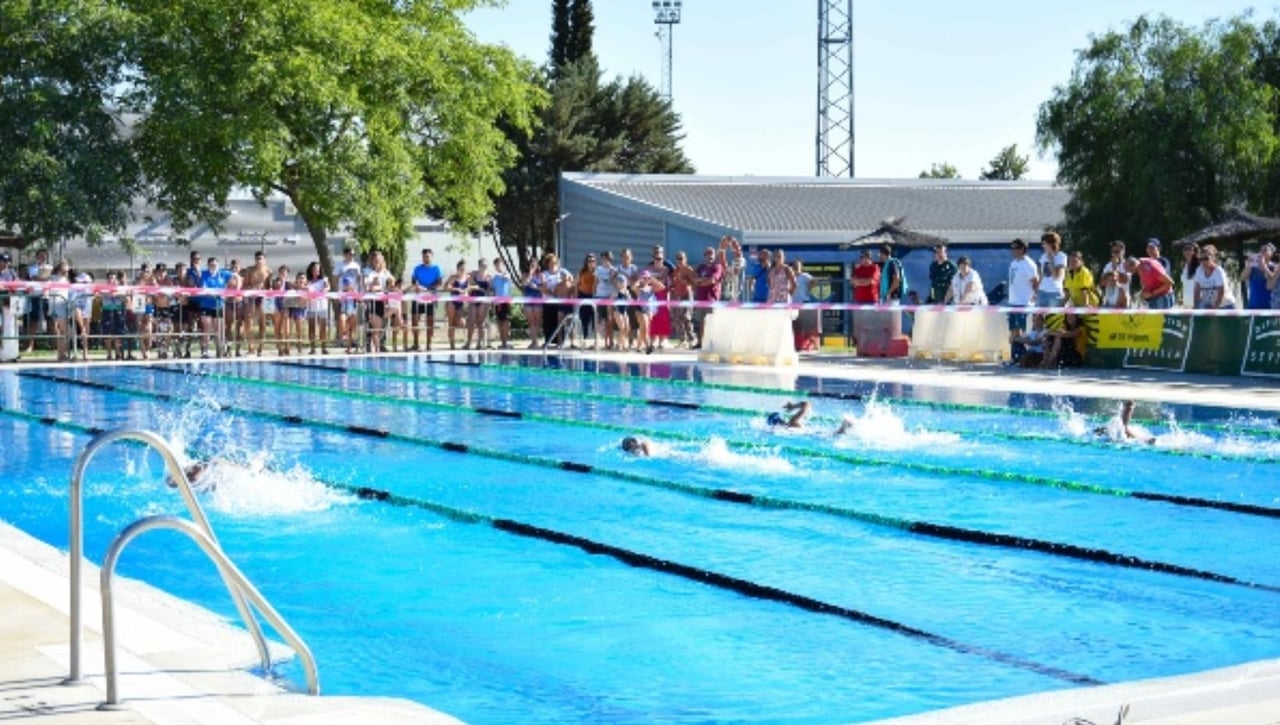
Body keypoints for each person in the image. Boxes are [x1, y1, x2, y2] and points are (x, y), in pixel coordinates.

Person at [1005, 238, 1040, 363]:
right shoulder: (1014, 263)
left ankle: (1023, 357)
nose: (1013, 251)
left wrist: (1036, 296)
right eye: (1012, 248)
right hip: (1013, 302)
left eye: (1016, 248)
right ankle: (1015, 357)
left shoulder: (1029, 264)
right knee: (1013, 330)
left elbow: (1035, 282)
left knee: (1021, 330)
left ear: (1022, 249)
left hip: (1024, 302)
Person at [409, 248, 442, 351]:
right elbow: (413, 282)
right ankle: (416, 344)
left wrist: (428, 289)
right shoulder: (417, 268)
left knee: (430, 321)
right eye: (424, 256)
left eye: (427, 256)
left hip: (431, 296)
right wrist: (418, 287)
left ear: (431, 257)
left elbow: (439, 282)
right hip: (419, 297)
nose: (425, 258)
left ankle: (429, 344)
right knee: (415, 320)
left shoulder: (436, 268)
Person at [692, 246, 724, 349]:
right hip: (701, 299)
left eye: (712, 254)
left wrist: (702, 281)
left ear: (714, 255)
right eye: (708, 254)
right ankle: (701, 342)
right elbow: (694, 279)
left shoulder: (717, 266)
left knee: (711, 323)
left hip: (712, 299)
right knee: (701, 322)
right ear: (705, 255)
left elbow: (713, 280)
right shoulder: (701, 267)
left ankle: (712, 344)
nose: (710, 256)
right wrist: (703, 281)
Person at [1192, 244, 1234, 309]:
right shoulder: (1199, 271)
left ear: (1212, 258)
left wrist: (1214, 309)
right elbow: (1197, 290)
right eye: (1201, 259)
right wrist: (1195, 307)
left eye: (1206, 258)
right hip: (1210, 305)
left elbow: (1221, 292)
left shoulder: (1218, 271)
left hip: (1225, 305)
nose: (1203, 261)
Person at [1037, 232, 1068, 308]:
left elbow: (1056, 277)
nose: (1043, 246)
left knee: (1054, 318)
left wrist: (1051, 259)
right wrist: (1036, 291)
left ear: (1051, 244)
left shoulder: (1062, 256)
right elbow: (1041, 275)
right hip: (1042, 291)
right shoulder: (1043, 256)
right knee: (1039, 318)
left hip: (1054, 292)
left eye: (1044, 243)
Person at [490, 256, 515, 349]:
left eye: (499, 264)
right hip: (498, 303)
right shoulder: (494, 278)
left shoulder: (506, 275)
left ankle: (506, 342)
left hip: (506, 302)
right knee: (500, 322)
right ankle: (503, 342)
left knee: (506, 322)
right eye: (496, 265)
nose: (498, 266)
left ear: (503, 265)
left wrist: (499, 274)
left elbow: (506, 278)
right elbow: (492, 289)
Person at [1244, 243, 1277, 310]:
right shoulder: (1253, 267)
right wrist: (1248, 266)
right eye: (1260, 250)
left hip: (1269, 307)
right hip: (1253, 306)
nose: (1262, 252)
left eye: (1265, 250)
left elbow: (1271, 283)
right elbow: (1242, 278)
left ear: (1271, 253)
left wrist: (1264, 267)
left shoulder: (1274, 267)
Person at [1178, 242, 1201, 308]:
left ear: (1195, 251)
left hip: (1197, 302)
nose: (1187, 251)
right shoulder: (1184, 265)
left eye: (1190, 249)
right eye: (1185, 249)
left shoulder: (1199, 266)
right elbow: (1185, 284)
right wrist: (1181, 297)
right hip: (1186, 302)